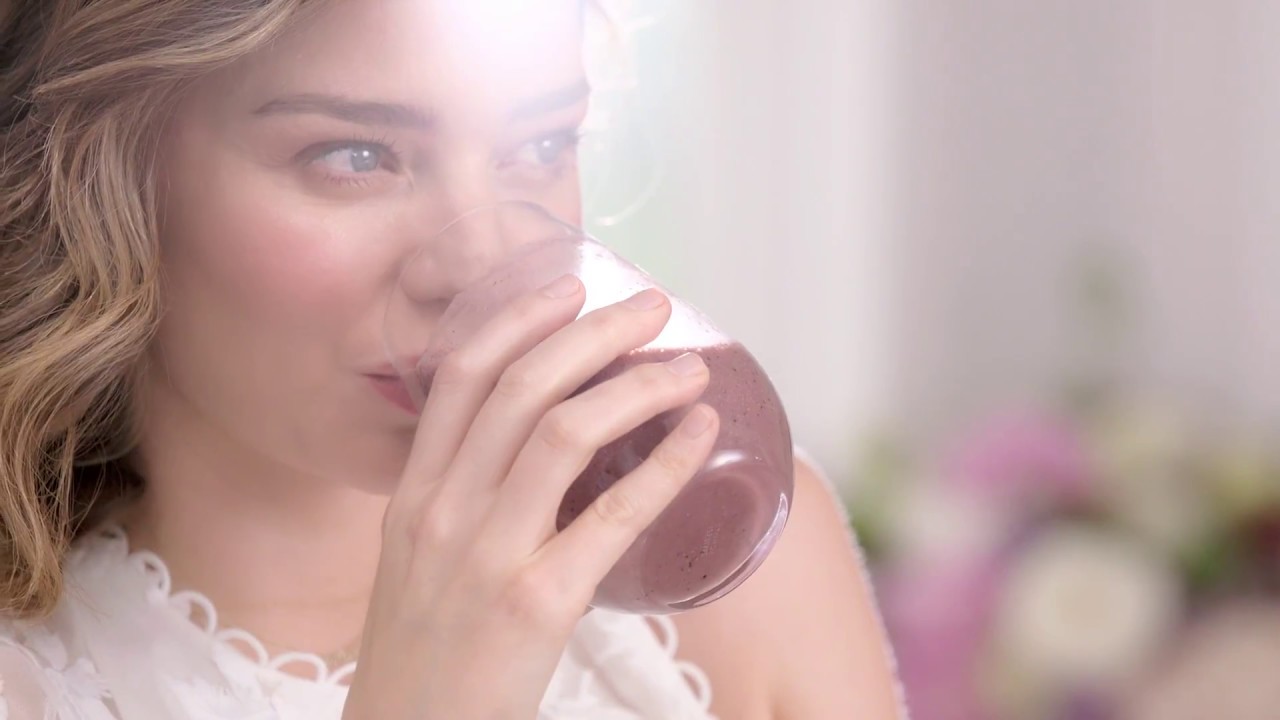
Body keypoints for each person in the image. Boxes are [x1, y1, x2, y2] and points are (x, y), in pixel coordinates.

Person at [0, 0, 904, 717]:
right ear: (95, 178)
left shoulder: (720, 564)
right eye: (354, 155)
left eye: (541, 146)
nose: (481, 260)